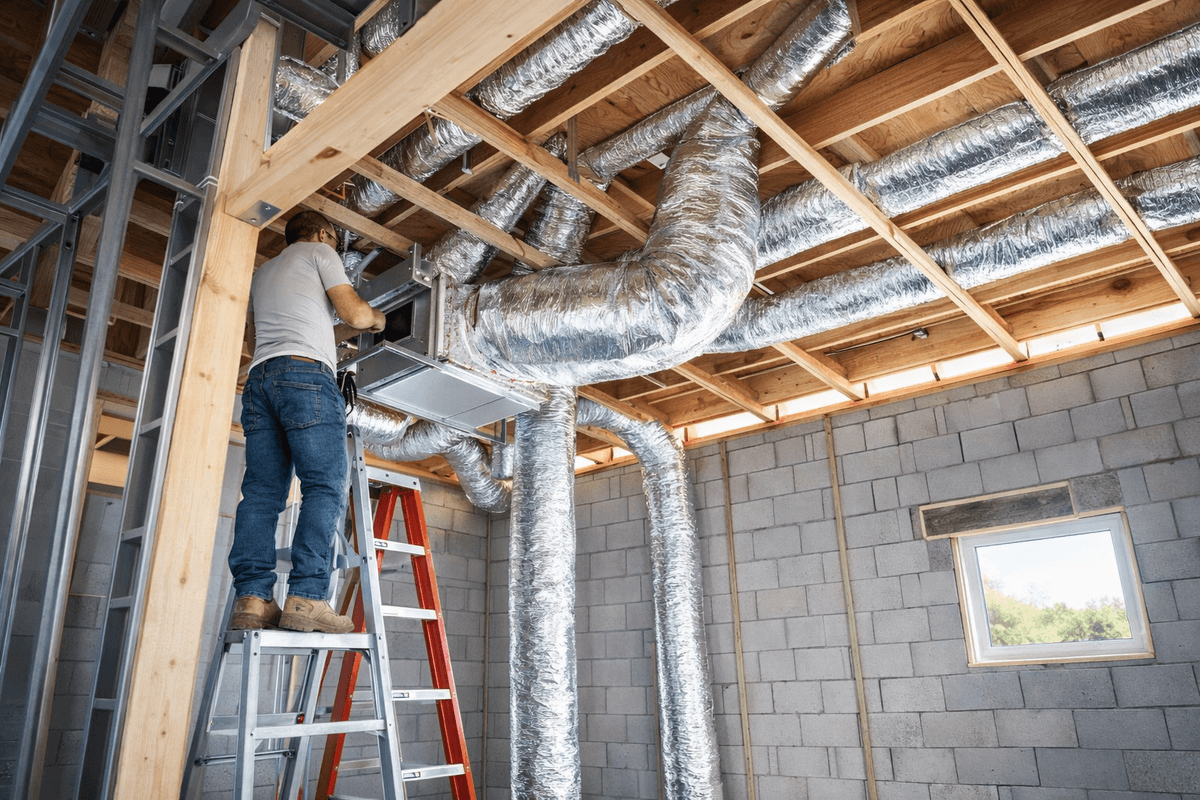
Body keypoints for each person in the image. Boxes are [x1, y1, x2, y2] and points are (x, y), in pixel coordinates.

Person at [229, 210, 386, 633]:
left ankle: (254, 598)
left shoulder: (263, 273)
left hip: (260, 380)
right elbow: (354, 315)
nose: (335, 245)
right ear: (322, 233)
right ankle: (307, 597)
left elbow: (252, 339)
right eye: (335, 237)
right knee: (323, 484)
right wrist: (378, 319)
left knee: (261, 494)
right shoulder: (319, 251)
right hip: (305, 376)